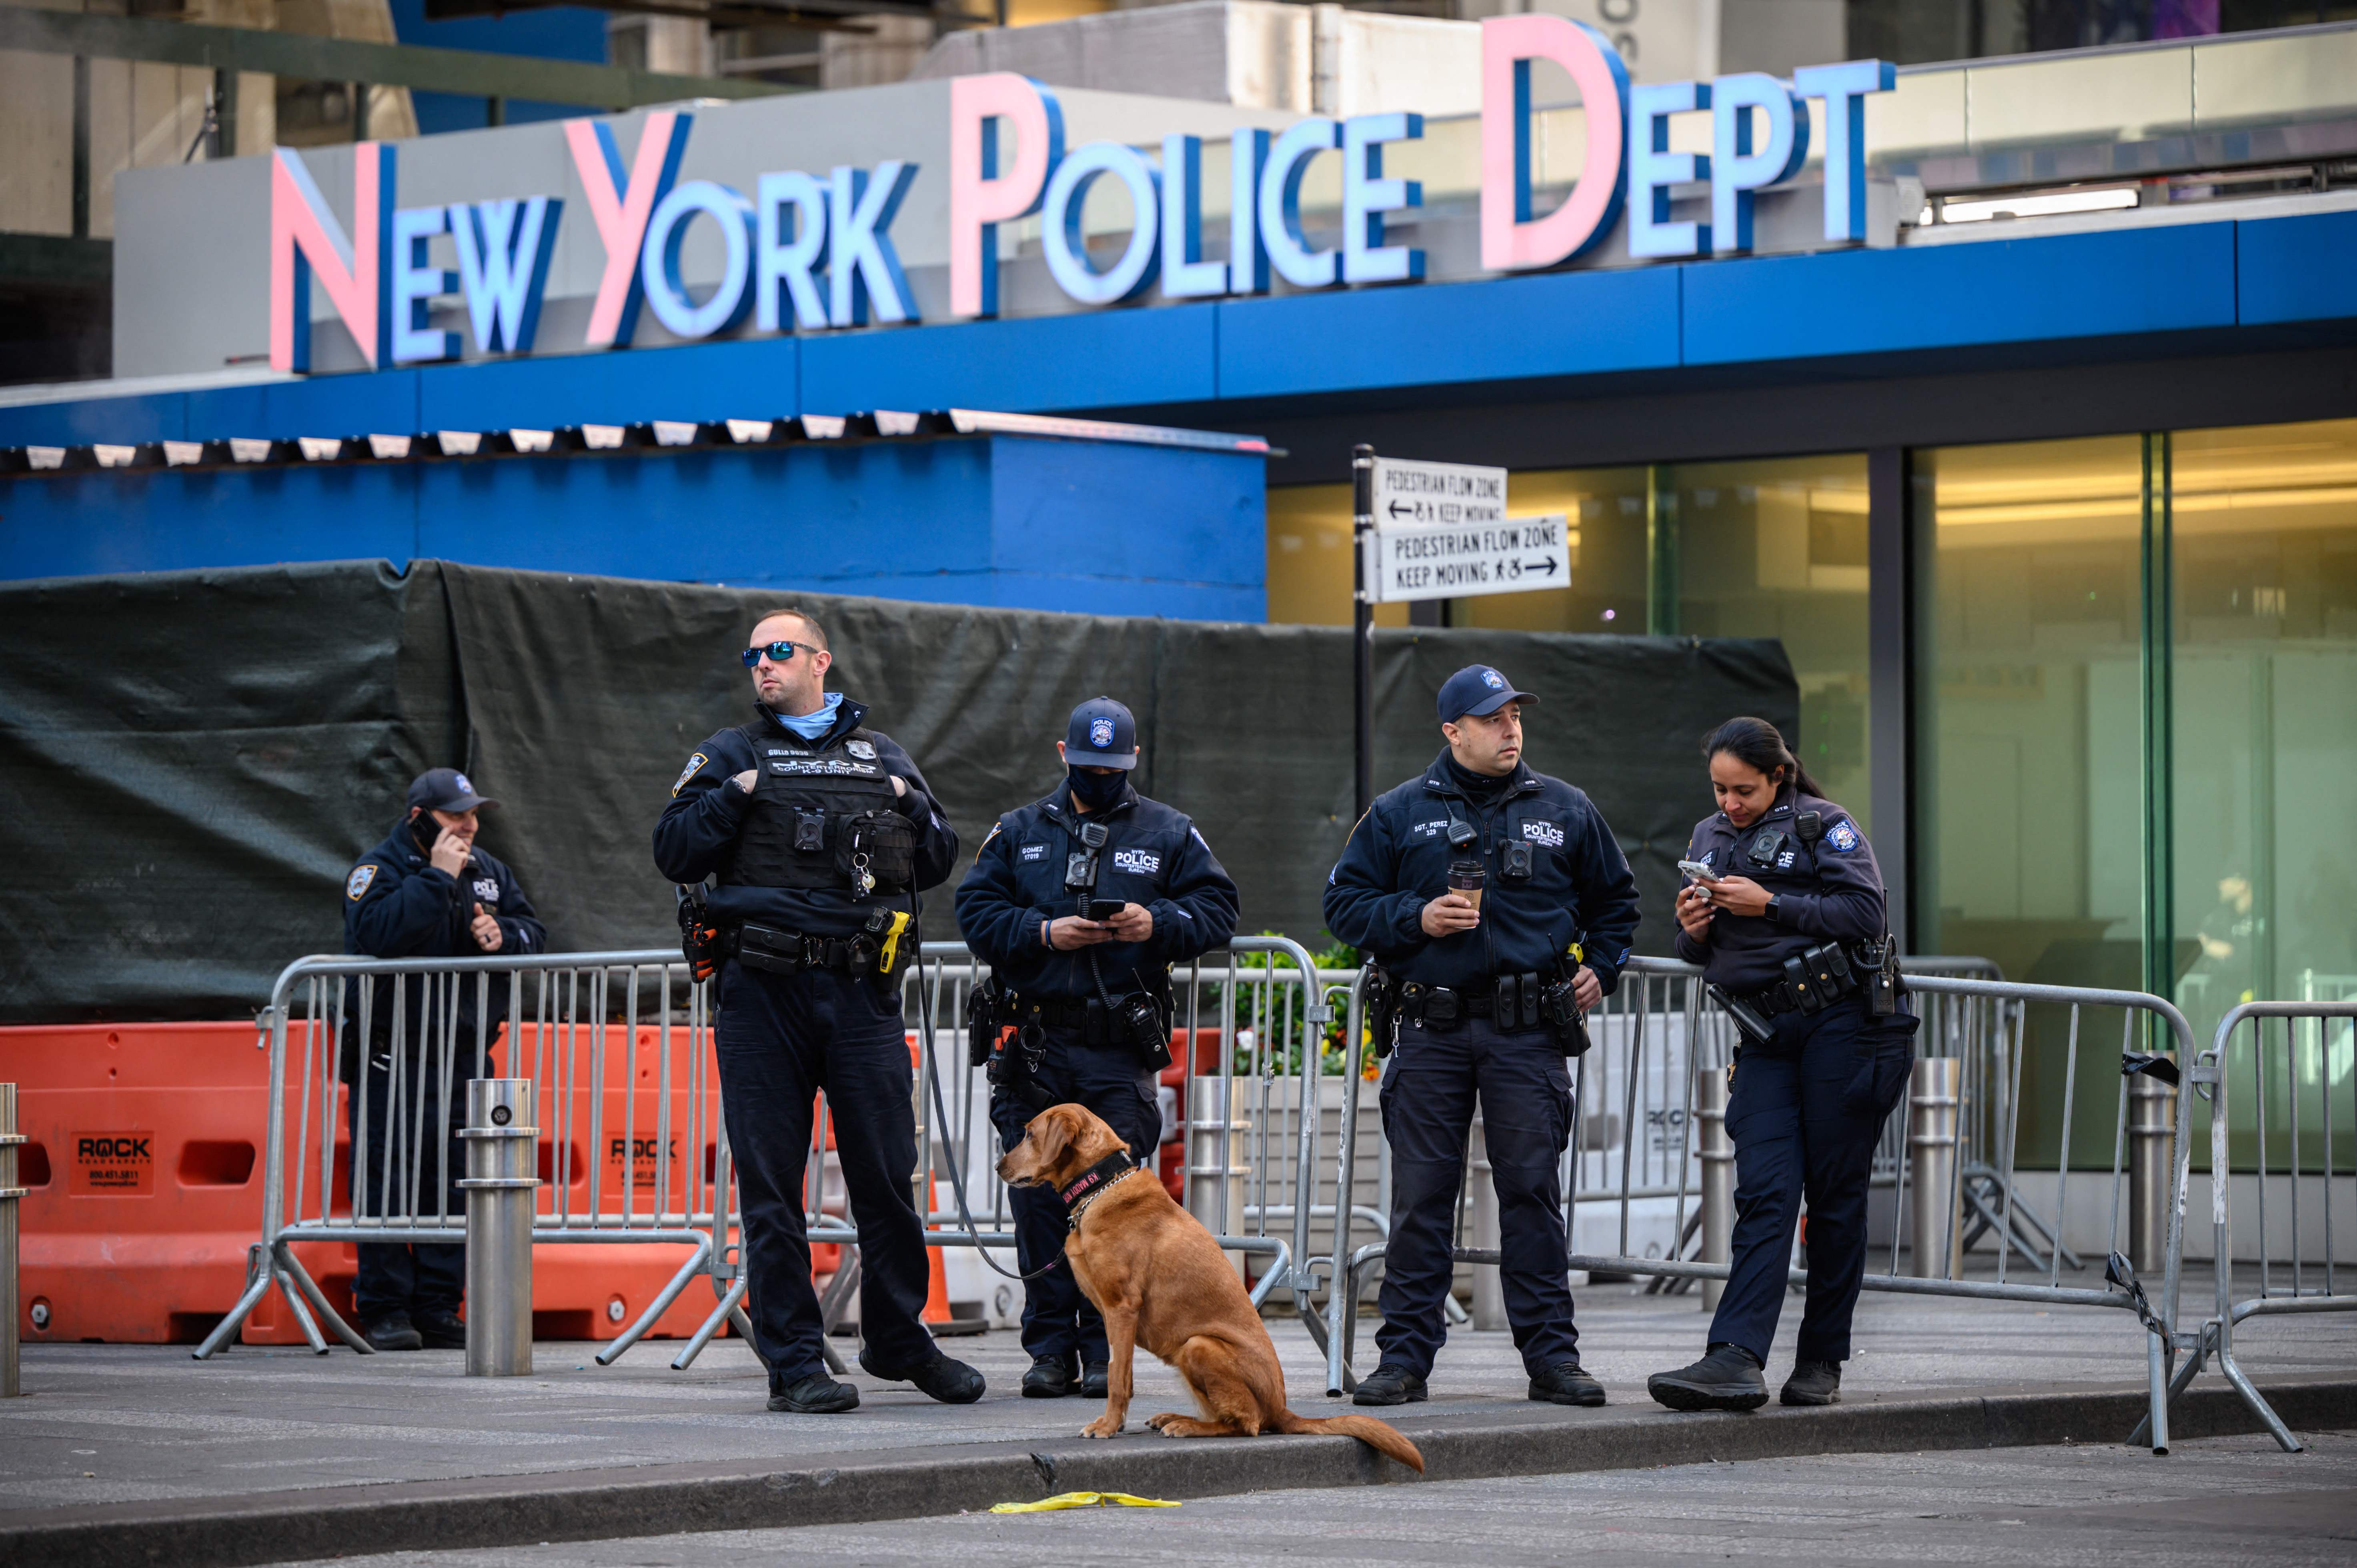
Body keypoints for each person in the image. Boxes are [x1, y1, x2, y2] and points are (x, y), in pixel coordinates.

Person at [653, 606, 981, 1414]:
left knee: (886, 1172)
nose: (763, 665)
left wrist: (907, 801)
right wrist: (736, 796)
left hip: (861, 989)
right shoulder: (731, 752)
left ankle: (899, 1338)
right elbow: (673, 849)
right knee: (772, 1186)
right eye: (753, 655)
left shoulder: (880, 755)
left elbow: (938, 856)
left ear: (820, 661)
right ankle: (795, 1360)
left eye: (779, 651)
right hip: (761, 993)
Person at [1324, 664, 1640, 1408]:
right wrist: (1416, 919)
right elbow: (1343, 904)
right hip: (1430, 1028)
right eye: (1493, 719)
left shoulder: (1565, 808)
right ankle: (1403, 1361)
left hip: (1527, 1032)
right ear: (1452, 731)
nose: (1510, 730)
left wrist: (1603, 968)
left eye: (1516, 717)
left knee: (1532, 1194)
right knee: (1422, 1198)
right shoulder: (1400, 812)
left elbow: (1618, 906)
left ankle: (1552, 1361)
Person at [955, 696, 1240, 1400]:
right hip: (1037, 1047)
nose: (1100, 777)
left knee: (1114, 1209)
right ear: (1063, 755)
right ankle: (1049, 1350)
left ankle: (1099, 1354)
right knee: (1040, 1206)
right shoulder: (1020, 831)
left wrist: (1157, 922)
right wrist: (1043, 933)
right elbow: (975, 912)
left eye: (1112, 767)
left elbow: (1220, 909)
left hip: (1117, 1053)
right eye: (1088, 765)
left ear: (1134, 760)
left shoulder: (1169, 831)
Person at [1647, 716, 1918, 1412]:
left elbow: (1867, 911)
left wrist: (1770, 902)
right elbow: (1700, 953)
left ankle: (1822, 1358)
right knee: (1765, 1190)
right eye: (1719, 790)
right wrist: (1693, 927)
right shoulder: (1709, 837)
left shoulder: (1822, 825)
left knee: (1833, 1198)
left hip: (1843, 1026)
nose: (1729, 804)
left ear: (1778, 777)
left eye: (1743, 790)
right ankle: (1734, 1357)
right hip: (1764, 1033)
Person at [341, 767, 545, 1352]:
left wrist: (504, 935)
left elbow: (536, 931)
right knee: (386, 1180)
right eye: (457, 815)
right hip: (392, 1056)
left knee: (455, 1181)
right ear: (419, 820)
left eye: (474, 814)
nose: (470, 825)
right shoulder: (377, 870)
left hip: (462, 1055)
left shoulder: (490, 872)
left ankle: (437, 1306)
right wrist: (437, 877)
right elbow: (377, 933)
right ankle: (383, 1309)